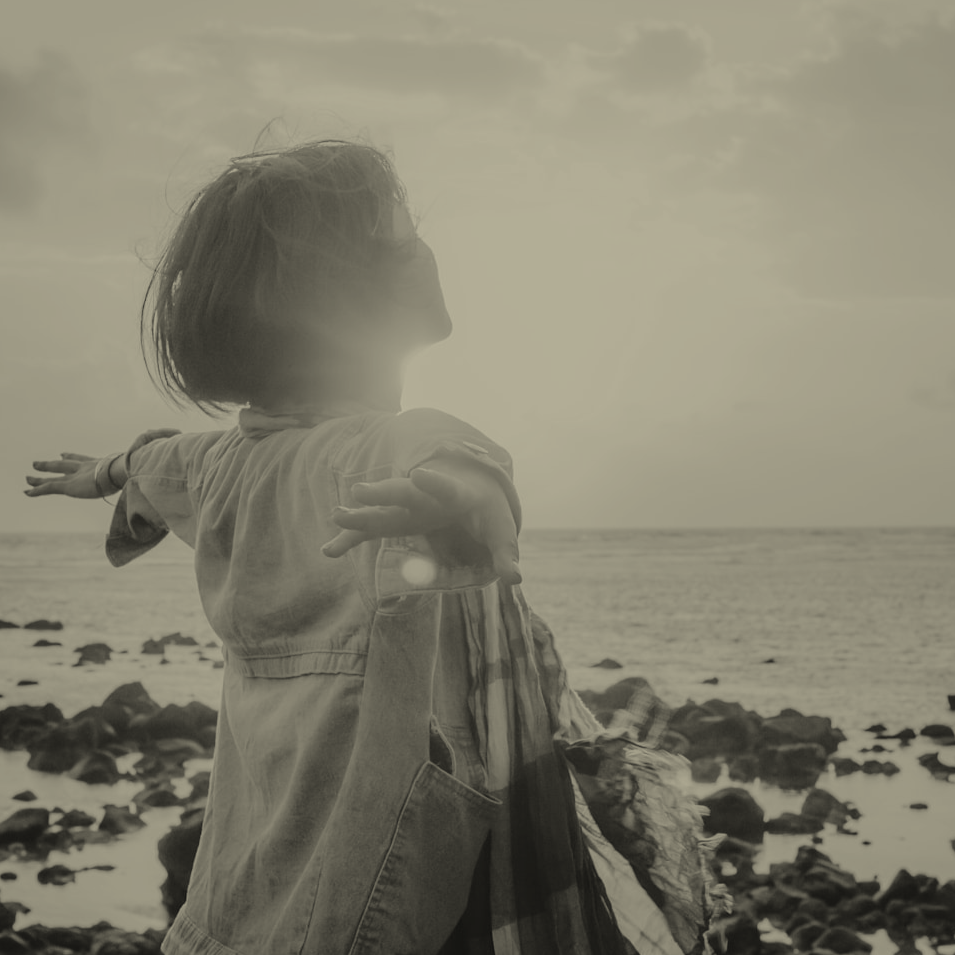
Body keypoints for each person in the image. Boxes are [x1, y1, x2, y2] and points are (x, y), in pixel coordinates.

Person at [25, 140, 722, 955]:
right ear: (337, 291)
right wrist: (467, 504)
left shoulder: (224, 463)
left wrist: (104, 471)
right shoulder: (390, 445)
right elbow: (457, 461)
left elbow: (157, 461)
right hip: (395, 879)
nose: (425, 245)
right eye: (402, 233)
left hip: (260, 869)